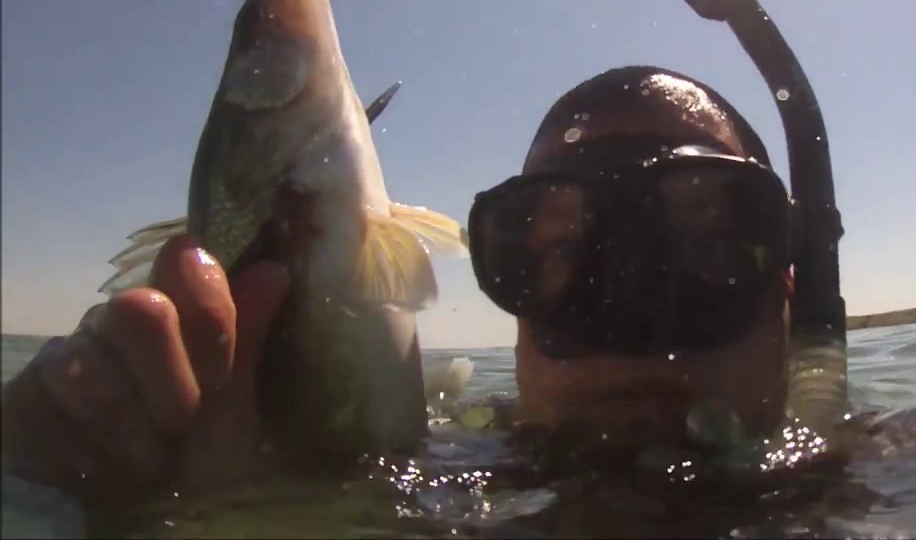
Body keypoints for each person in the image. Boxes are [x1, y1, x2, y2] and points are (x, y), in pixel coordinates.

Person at [0, 65, 844, 518]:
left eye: (705, 240)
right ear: (511, 304)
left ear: (786, 292)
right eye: (556, 249)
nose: (631, 310)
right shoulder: (443, 464)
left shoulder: (909, 477)